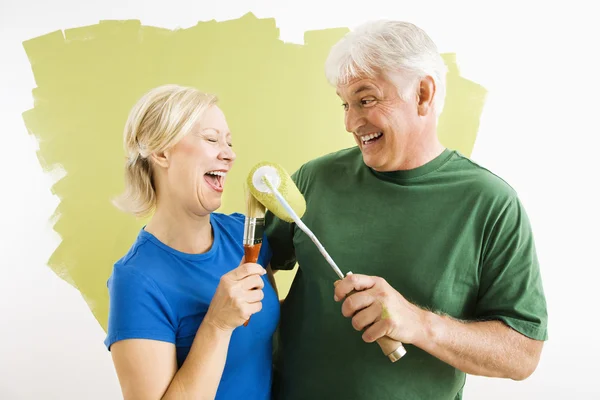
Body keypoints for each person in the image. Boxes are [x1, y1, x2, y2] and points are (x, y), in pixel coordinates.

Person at [265, 20, 548, 399]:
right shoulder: (314, 179)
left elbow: (523, 355)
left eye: (366, 100)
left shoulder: (491, 204)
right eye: (345, 104)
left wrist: (419, 324)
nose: (350, 122)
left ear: (423, 94)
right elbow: (255, 262)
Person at [104, 84, 279, 400]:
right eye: (212, 139)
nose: (229, 154)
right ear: (161, 152)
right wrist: (216, 325)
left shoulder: (247, 236)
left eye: (228, 142)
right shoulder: (136, 280)